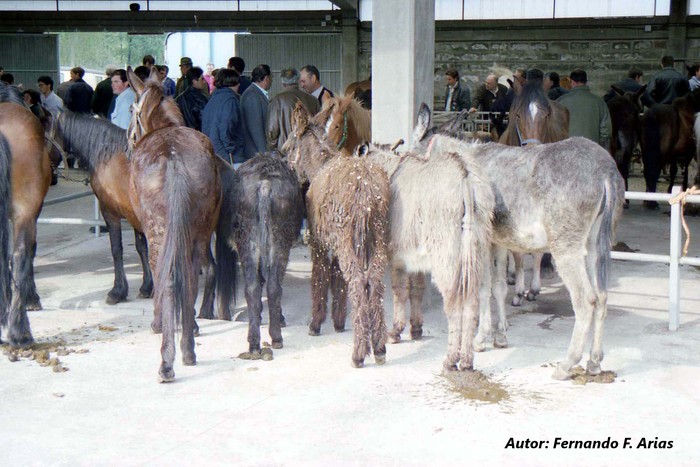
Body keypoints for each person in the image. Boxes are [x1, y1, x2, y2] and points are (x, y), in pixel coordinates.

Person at [267, 67, 320, 155]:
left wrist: (272, 150)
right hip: (308, 153)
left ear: (283, 83)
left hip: (285, 153)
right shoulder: (313, 100)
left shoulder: (277, 100)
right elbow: (319, 127)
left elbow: (271, 131)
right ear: (298, 80)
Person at [556, 68, 612, 149]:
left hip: (567, 149)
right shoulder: (599, 102)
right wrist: (596, 143)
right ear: (586, 82)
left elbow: (555, 127)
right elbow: (606, 131)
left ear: (572, 82)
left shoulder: (561, 101)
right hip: (591, 148)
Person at [201, 68, 244, 166]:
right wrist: (231, 149)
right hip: (228, 156)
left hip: (213, 151)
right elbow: (226, 128)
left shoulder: (213, 98)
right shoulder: (230, 100)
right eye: (237, 82)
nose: (239, 85)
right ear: (232, 82)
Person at [241, 64, 272, 160]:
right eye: (271, 78)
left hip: (256, 151)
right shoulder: (252, 95)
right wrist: (264, 153)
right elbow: (255, 127)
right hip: (255, 152)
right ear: (266, 78)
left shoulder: (255, 93)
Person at [175, 66, 209, 132]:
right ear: (194, 81)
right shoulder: (200, 99)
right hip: (199, 135)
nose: (204, 82)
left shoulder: (179, 98)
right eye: (202, 79)